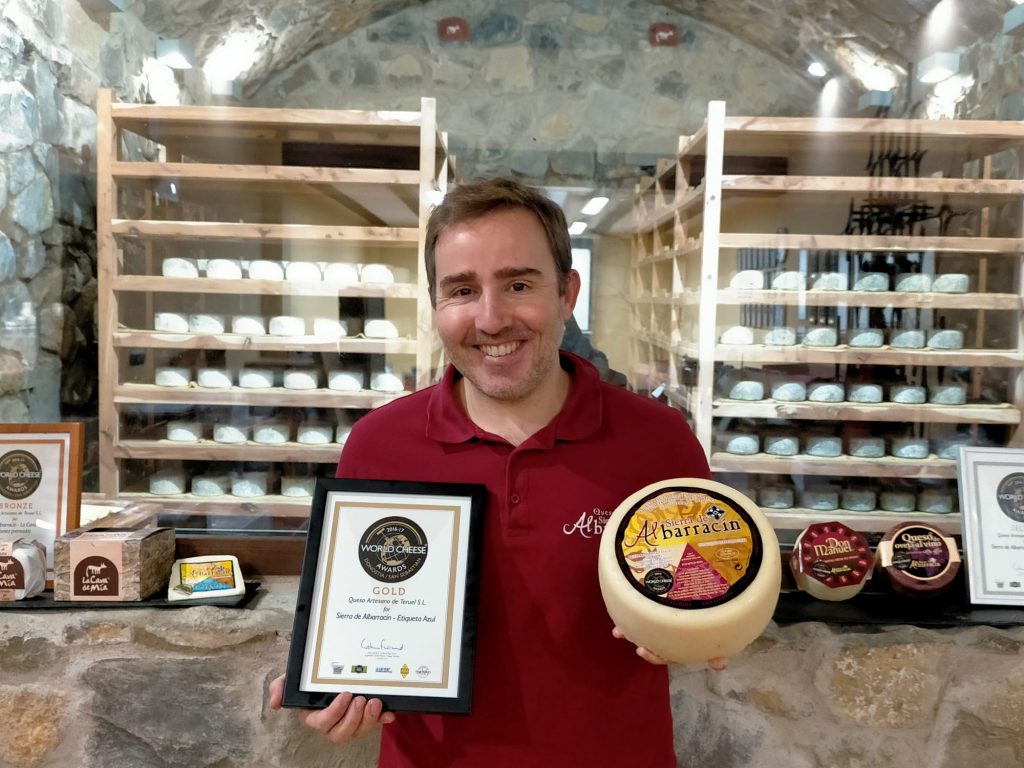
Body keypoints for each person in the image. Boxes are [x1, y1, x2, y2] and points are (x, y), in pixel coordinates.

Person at [269, 177, 715, 767]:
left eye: (519, 284)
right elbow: (360, 613)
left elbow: (709, 595)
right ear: (436, 305)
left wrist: (706, 629)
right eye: (461, 290)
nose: (491, 318)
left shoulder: (658, 443)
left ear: (567, 293)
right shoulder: (379, 445)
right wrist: (329, 680)